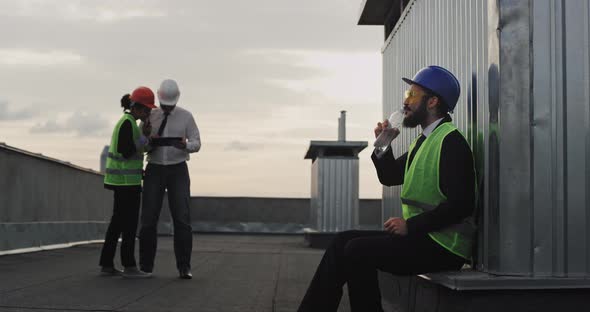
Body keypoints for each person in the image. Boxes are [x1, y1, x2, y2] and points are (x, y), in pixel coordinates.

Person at [297, 66, 476, 312]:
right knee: (342, 242)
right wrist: (384, 144)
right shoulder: (423, 142)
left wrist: (410, 225)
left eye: (413, 94)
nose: (406, 100)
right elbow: (390, 176)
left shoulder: (451, 141)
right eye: (407, 93)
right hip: (422, 238)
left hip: (444, 246)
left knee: (358, 251)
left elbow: (462, 205)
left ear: (432, 101)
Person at [139, 79, 201, 279]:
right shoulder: (150, 116)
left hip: (178, 169)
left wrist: (185, 145)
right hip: (155, 167)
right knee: (148, 219)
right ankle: (146, 266)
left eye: (170, 104)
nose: (167, 107)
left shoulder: (186, 116)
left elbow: (197, 142)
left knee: (182, 219)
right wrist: (147, 138)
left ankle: (184, 266)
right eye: (165, 104)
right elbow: (141, 145)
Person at [99, 87, 157, 278]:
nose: (148, 113)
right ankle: (130, 266)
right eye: (147, 110)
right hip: (126, 183)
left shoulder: (127, 122)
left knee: (117, 224)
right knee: (129, 225)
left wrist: (144, 137)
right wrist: (145, 138)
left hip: (122, 181)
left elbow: (129, 151)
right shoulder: (128, 123)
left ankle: (107, 264)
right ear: (137, 108)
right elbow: (127, 150)